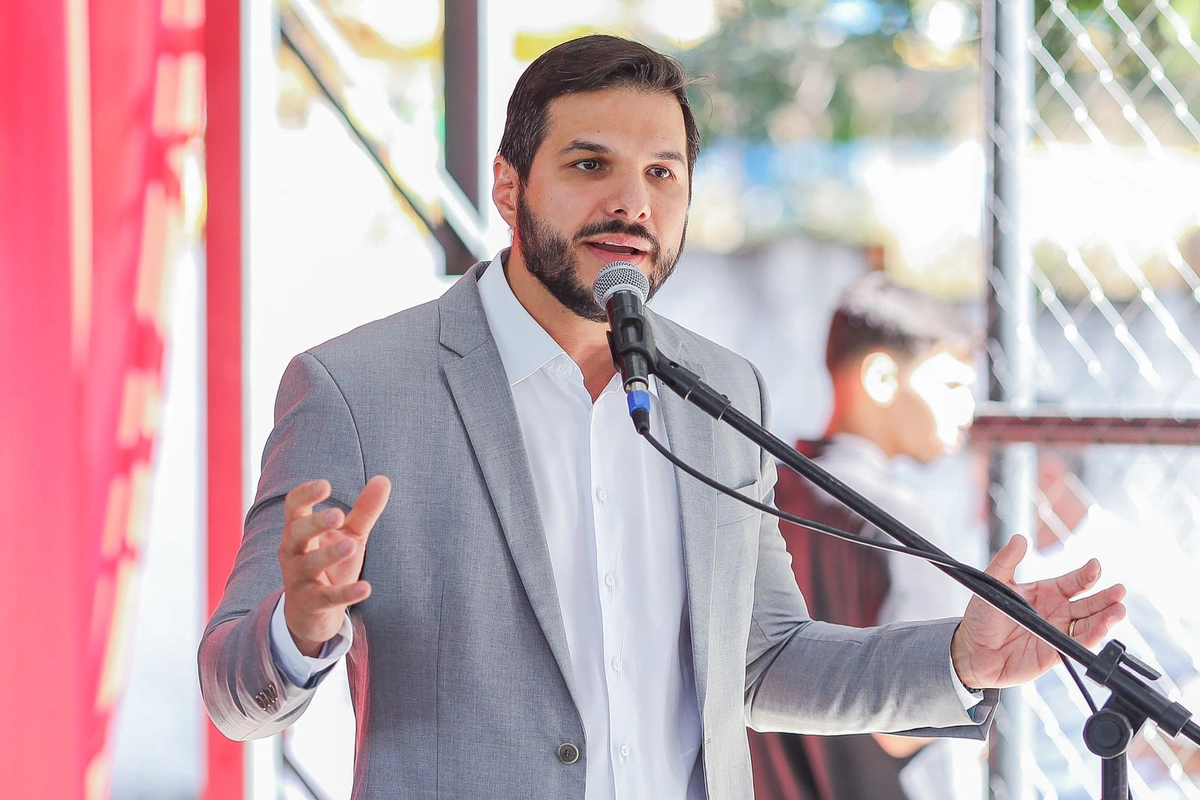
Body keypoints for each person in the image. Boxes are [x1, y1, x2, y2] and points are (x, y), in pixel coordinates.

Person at [198, 35, 1126, 800]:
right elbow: (231, 692)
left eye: (663, 174)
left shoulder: (723, 393)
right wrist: (300, 627)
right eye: (590, 164)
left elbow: (763, 663)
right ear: (509, 185)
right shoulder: (355, 388)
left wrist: (957, 660)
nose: (632, 203)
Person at [748, 274, 990, 800]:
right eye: (951, 385)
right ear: (881, 377)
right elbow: (905, 722)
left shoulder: (762, 488)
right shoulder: (899, 520)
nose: (967, 411)